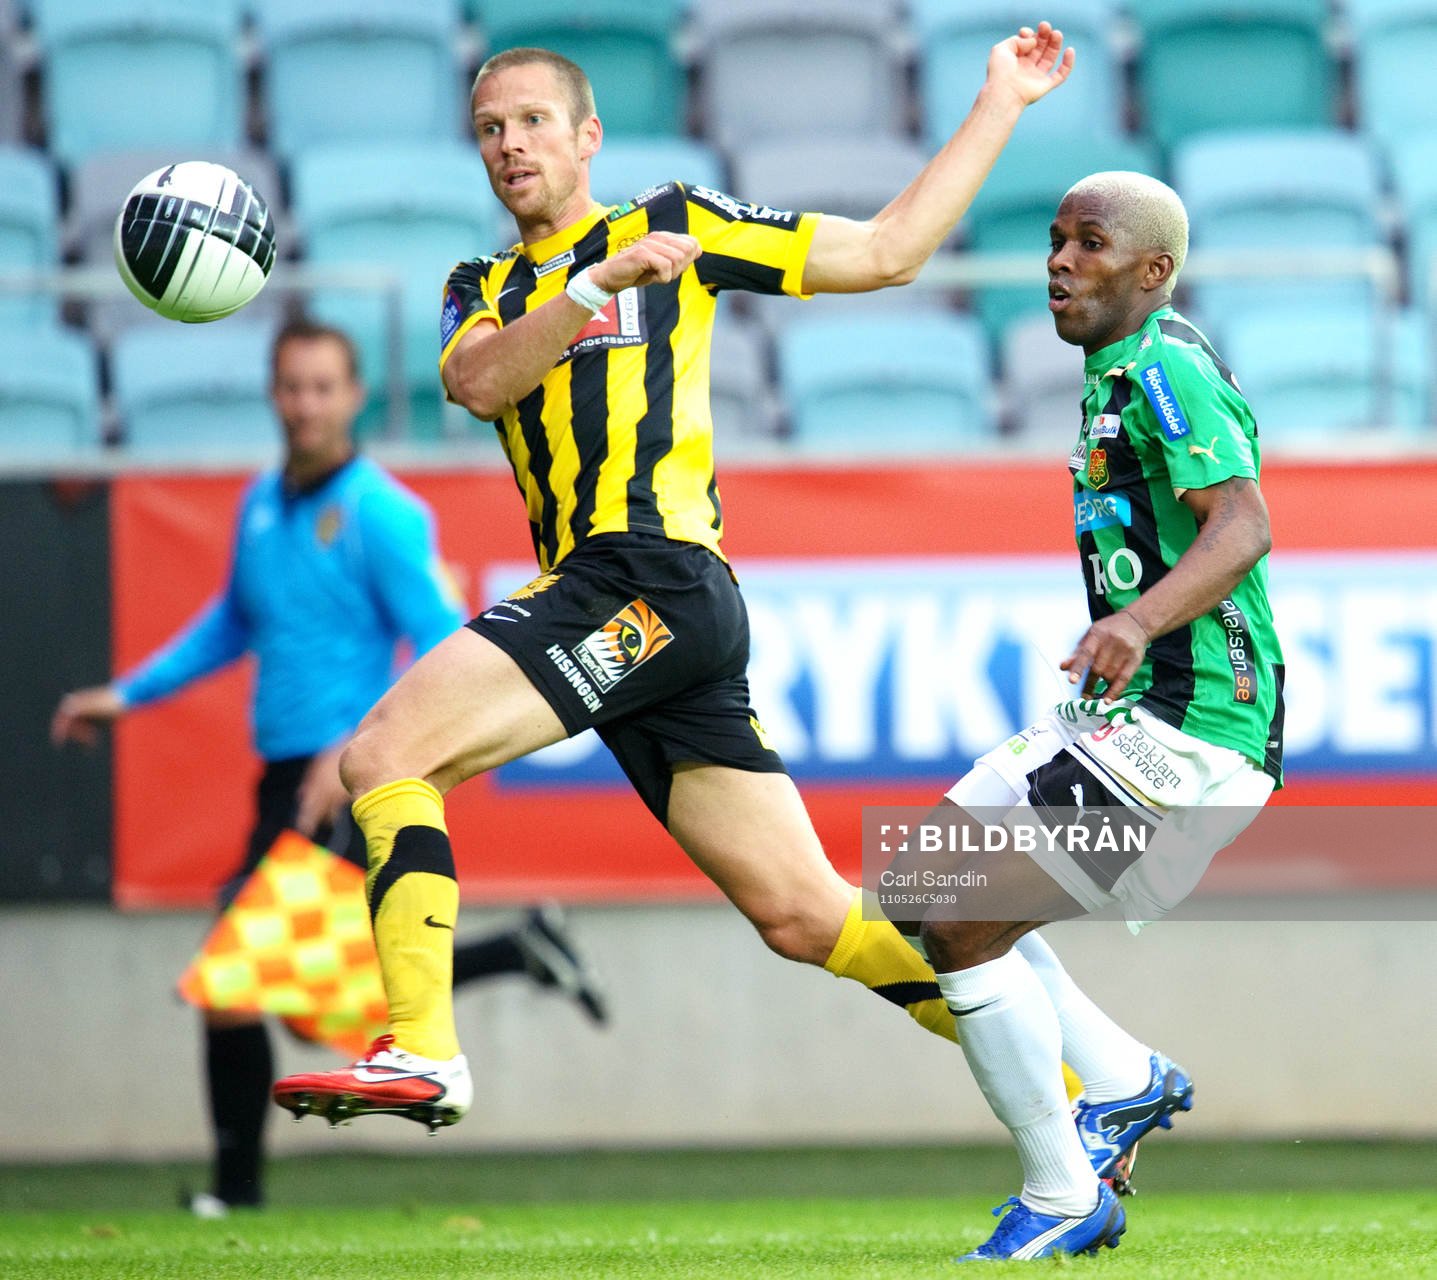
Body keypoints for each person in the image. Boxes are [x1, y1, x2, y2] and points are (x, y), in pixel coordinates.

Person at [269, 28, 1081, 1136]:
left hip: (650, 577)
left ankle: (424, 1048)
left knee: (384, 757)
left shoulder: (675, 224)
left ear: (588, 136)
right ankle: (1091, 1086)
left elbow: (889, 251)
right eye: (490, 131)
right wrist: (591, 287)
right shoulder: (485, 285)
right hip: (639, 613)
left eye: (533, 122)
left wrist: (1001, 99)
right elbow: (478, 380)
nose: (510, 146)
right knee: (806, 914)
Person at [52, 318, 606, 1218]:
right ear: (272, 395)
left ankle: (234, 1197)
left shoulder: (382, 513)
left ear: (354, 399)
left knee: (230, 987)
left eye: (322, 387)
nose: (305, 404)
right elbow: (232, 620)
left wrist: (349, 746)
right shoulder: (261, 505)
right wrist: (128, 694)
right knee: (319, 1006)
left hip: (338, 790)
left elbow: (444, 644)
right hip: (278, 782)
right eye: (291, 386)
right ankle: (518, 949)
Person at [890, 171, 1284, 1261]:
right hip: (1125, 707)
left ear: (1152, 272)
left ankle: (1064, 1188)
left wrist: (1138, 622)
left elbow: (1243, 524)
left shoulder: (1162, 367)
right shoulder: (1123, 365)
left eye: (1091, 244)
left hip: (1191, 720)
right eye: (1056, 240)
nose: (1060, 261)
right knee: (924, 879)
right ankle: (1122, 1081)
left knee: (965, 921)